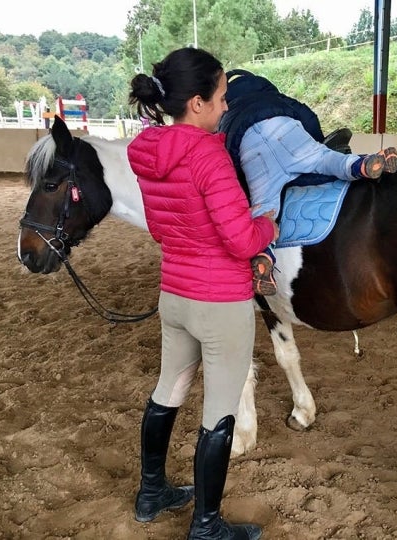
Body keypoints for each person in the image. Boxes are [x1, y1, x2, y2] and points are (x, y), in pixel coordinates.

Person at [127, 47, 278, 540]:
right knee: (220, 412)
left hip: (175, 295)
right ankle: (207, 526)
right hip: (220, 304)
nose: (226, 107)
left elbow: (158, 229)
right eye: (220, 98)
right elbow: (240, 239)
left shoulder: (148, 153)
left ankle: (151, 493)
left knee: (168, 391)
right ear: (196, 103)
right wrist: (267, 227)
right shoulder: (209, 156)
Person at [218, 69, 397, 296]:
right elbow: (307, 115)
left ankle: (264, 257)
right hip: (287, 130)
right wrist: (317, 141)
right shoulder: (275, 97)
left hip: (251, 151)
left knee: (264, 207)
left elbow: (225, 153)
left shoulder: (226, 111)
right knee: (327, 160)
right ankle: (363, 164)